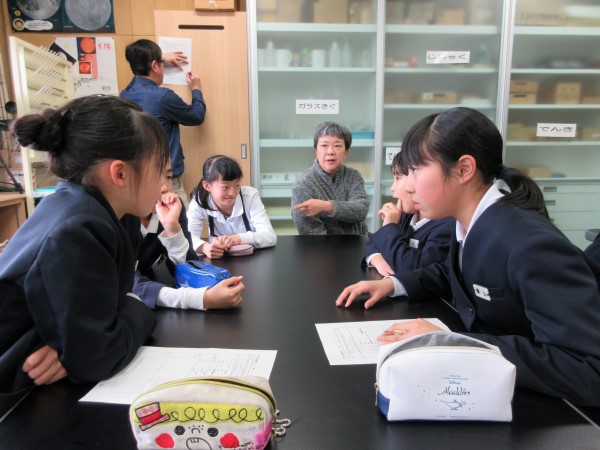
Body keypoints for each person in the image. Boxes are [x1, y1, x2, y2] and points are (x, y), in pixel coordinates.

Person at [336, 107, 600, 406]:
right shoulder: (470, 223)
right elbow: (456, 273)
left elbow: (587, 370)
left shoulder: (532, 245)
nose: (407, 186)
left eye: (416, 170)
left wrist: (453, 341)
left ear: (463, 169)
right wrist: (393, 284)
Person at [0, 95, 167, 417]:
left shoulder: (110, 211)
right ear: (120, 173)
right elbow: (98, 356)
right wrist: (137, 306)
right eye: (160, 170)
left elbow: (108, 312)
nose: (163, 185)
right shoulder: (81, 228)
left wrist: (79, 347)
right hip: (17, 392)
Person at [132, 172, 245, 310]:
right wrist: (202, 299)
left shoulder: (171, 207)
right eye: (153, 176)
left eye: (168, 177)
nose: (165, 188)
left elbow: (188, 268)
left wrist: (172, 229)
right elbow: (128, 283)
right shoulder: (120, 217)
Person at [121, 39, 206, 208]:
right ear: (154, 66)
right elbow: (196, 116)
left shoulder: (125, 94)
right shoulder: (163, 97)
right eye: (160, 63)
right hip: (166, 183)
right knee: (180, 222)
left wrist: (159, 59)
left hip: (139, 179)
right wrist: (196, 89)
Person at [363, 151, 453, 276]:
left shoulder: (447, 226)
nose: (392, 187)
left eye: (398, 178)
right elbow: (373, 241)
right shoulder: (406, 215)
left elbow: (413, 268)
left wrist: (389, 227)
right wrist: (377, 259)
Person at [187, 155, 277, 259]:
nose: (233, 193)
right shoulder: (199, 201)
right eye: (225, 187)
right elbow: (188, 238)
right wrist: (204, 247)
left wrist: (239, 238)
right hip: (218, 260)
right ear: (207, 186)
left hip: (253, 259)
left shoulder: (250, 196)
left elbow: (269, 236)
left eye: (237, 185)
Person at [291, 122, 370, 236]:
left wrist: (326, 206)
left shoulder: (353, 175)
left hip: (360, 240)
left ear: (346, 152)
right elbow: (311, 232)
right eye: (324, 145)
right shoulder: (303, 184)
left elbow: (361, 211)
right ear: (316, 151)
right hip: (322, 245)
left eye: (337, 146)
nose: (330, 152)